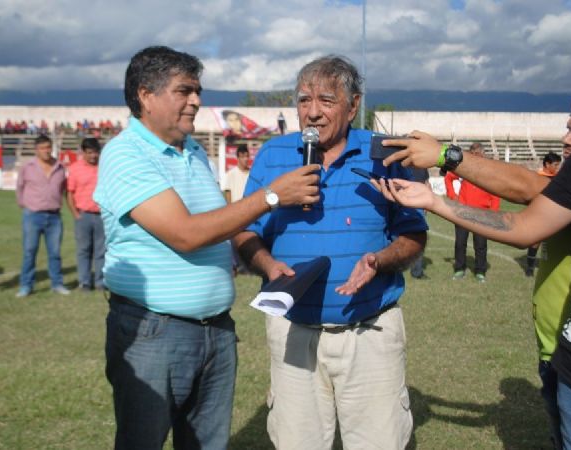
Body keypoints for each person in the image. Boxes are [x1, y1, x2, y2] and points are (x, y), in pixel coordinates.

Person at [93, 45, 320, 450]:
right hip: (154, 332)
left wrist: (265, 263)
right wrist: (271, 196)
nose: (196, 101)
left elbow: (223, 225)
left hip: (215, 329)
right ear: (146, 95)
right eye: (184, 91)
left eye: (197, 91)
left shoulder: (193, 151)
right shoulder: (125, 154)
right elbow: (186, 233)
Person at [381, 91, 571, 450]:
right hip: (566, 352)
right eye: (567, 129)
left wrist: (446, 156)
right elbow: (522, 224)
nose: (567, 139)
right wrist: (436, 200)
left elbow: (527, 188)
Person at [233, 55, 428, 450]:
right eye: (304, 101)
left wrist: (379, 260)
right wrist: (268, 265)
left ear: (353, 105)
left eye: (326, 100)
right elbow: (243, 231)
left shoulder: (383, 154)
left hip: (369, 333)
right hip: (293, 332)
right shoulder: (273, 155)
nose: (313, 113)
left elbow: (413, 236)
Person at [16, 134, 70, 297]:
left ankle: (57, 284)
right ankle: (26, 285)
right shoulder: (28, 167)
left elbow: (63, 189)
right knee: (29, 251)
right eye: (42, 148)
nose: (46, 151)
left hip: (54, 217)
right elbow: (20, 187)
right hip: (33, 215)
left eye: (48, 147)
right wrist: (25, 204)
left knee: (54, 253)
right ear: (36, 149)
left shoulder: (60, 166)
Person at [445, 142, 500, 282]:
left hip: (482, 213)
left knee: (480, 244)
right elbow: (448, 178)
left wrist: (493, 212)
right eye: (473, 154)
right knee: (460, 242)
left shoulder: (489, 171)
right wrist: (453, 196)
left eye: (478, 154)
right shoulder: (463, 168)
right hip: (464, 211)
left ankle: (480, 271)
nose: (476, 156)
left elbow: (495, 192)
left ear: (483, 154)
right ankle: (459, 269)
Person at [67, 137, 105, 291]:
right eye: (89, 153)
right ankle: (84, 282)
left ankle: (100, 282)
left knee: (101, 250)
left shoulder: (105, 167)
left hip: (102, 215)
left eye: (95, 152)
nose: (93, 156)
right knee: (84, 250)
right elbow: (70, 193)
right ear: (83, 152)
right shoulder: (75, 168)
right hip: (83, 215)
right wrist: (75, 214)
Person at [526, 151, 564, 277]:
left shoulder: (559, 177)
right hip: (538, 212)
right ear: (547, 164)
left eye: (558, 165)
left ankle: (552, 265)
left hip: (554, 213)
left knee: (553, 241)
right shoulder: (536, 176)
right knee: (535, 241)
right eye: (555, 165)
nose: (557, 168)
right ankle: (529, 267)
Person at [410, 167, 431, 279]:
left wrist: (428, 203)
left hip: (419, 206)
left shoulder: (422, 166)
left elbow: (427, 184)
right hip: (402, 203)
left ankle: (417, 272)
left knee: (419, 239)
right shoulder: (401, 164)